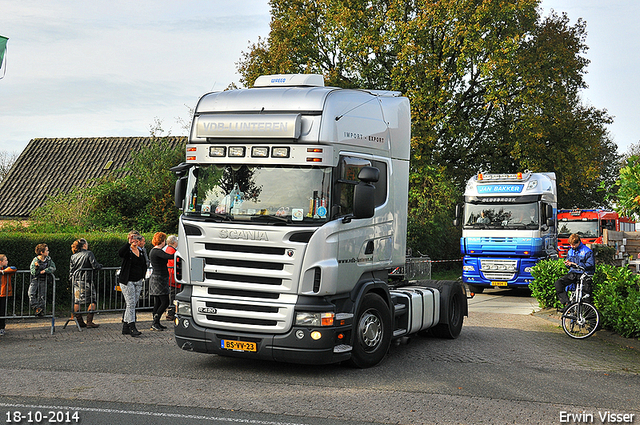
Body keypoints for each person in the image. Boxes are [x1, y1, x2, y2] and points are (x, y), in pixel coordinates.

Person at [118, 231, 147, 337]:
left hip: (138, 280)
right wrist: (128, 243)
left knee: (133, 304)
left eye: (137, 238)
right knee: (130, 303)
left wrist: (142, 275)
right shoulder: (128, 251)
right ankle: (132, 326)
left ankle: (125, 326)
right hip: (127, 281)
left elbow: (143, 263)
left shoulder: (141, 250)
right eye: (133, 238)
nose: (136, 240)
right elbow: (121, 253)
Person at [554, 233, 595, 309]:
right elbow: (568, 263)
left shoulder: (587, 251)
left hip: (584, 274)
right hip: (573, 273)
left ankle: (590, 319)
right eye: (571, 244)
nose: (572, 246)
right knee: (558, 283)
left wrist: (576, 264)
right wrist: (567, 264)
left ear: (578, 242)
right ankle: (568, 304)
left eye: (574, 244)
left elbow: (590, 265)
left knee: (586, 298)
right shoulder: (570, 251)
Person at [69, 238, 103, 328]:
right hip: (86, 280)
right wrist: (100, 266)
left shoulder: (73, 256)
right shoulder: (89, 253)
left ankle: (79, 321)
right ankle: (89, 321)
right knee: (92, 300)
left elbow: (71, 270)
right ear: (84, 245)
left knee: (77, 301)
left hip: (76, 280)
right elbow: (94, 265)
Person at [148, 232, 174, 331]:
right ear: (162, 241)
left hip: (158, 277)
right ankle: (155, 321)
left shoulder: (154, 251)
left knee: (158, 302)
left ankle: (156, 322)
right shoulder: (157, 251)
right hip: (159, 278)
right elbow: (169, 256)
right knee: (164, 302)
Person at [29, 243, 56, 317]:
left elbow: (53, 267)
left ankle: (41, 311)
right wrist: (36, 267)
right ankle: (36, 307)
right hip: (35, 279)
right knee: (31, 293)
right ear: (42, 252)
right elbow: (32, 272)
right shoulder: (35, 260)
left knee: (42, 296)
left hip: (44, 279)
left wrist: (46, 270)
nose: (48, 252)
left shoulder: (48, 259)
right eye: (47, 251)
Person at [0, 254, 18, 336]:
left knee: (2, 311)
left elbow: (14, 268)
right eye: (5, 260)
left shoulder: (6, 269)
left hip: (3, 293)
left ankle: (1, 328)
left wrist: (3, 271)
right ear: (1, 262)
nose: (7, 261)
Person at [165, 235, 178, 321]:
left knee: (172, 295)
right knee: (173, 296)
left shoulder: (168, 249)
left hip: (171, 276)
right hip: (173, 277)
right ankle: (170, 313)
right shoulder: (171, 251)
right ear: (174, 242)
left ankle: (171, 312)